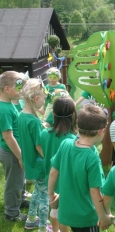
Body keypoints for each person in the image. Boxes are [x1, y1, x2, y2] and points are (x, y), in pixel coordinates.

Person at [48, 104, 112, 232]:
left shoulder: (65, 144)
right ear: (101, 131)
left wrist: (51, 195)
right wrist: (103, 217)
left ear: (77, 125)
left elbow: (53, 172)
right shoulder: (91, 157)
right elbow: (95, 192)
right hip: (86, 218)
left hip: (67, 211)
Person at [17, 79, 52, 231]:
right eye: (44, 98)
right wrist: (50, 160)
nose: (44, 102)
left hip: (30, 162)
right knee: (45, 196)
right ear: (36, 99)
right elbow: (39, 146)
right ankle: (43, 227)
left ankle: (31, 220)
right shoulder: (34, 121)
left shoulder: (21, 116)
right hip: (39, 164)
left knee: (37, 191)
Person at [40, 96, 77, 232]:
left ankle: (55, 230)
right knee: (64, 214)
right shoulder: (73, 140)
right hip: (65, 183)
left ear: (53, 114)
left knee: (54, 208)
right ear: (73, 115)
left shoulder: (44, 133)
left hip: (50, 179)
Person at [0, 71, 27, 222]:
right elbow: (8, 137)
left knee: (19, 179)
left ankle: (20, 200)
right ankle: (11, 213)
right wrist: (20, 157)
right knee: (14, 182)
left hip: (14, 151)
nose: (21, 92)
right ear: (7, 89)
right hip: (11, 152)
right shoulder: (3, 109)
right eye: (19, 88)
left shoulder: (9, 104)